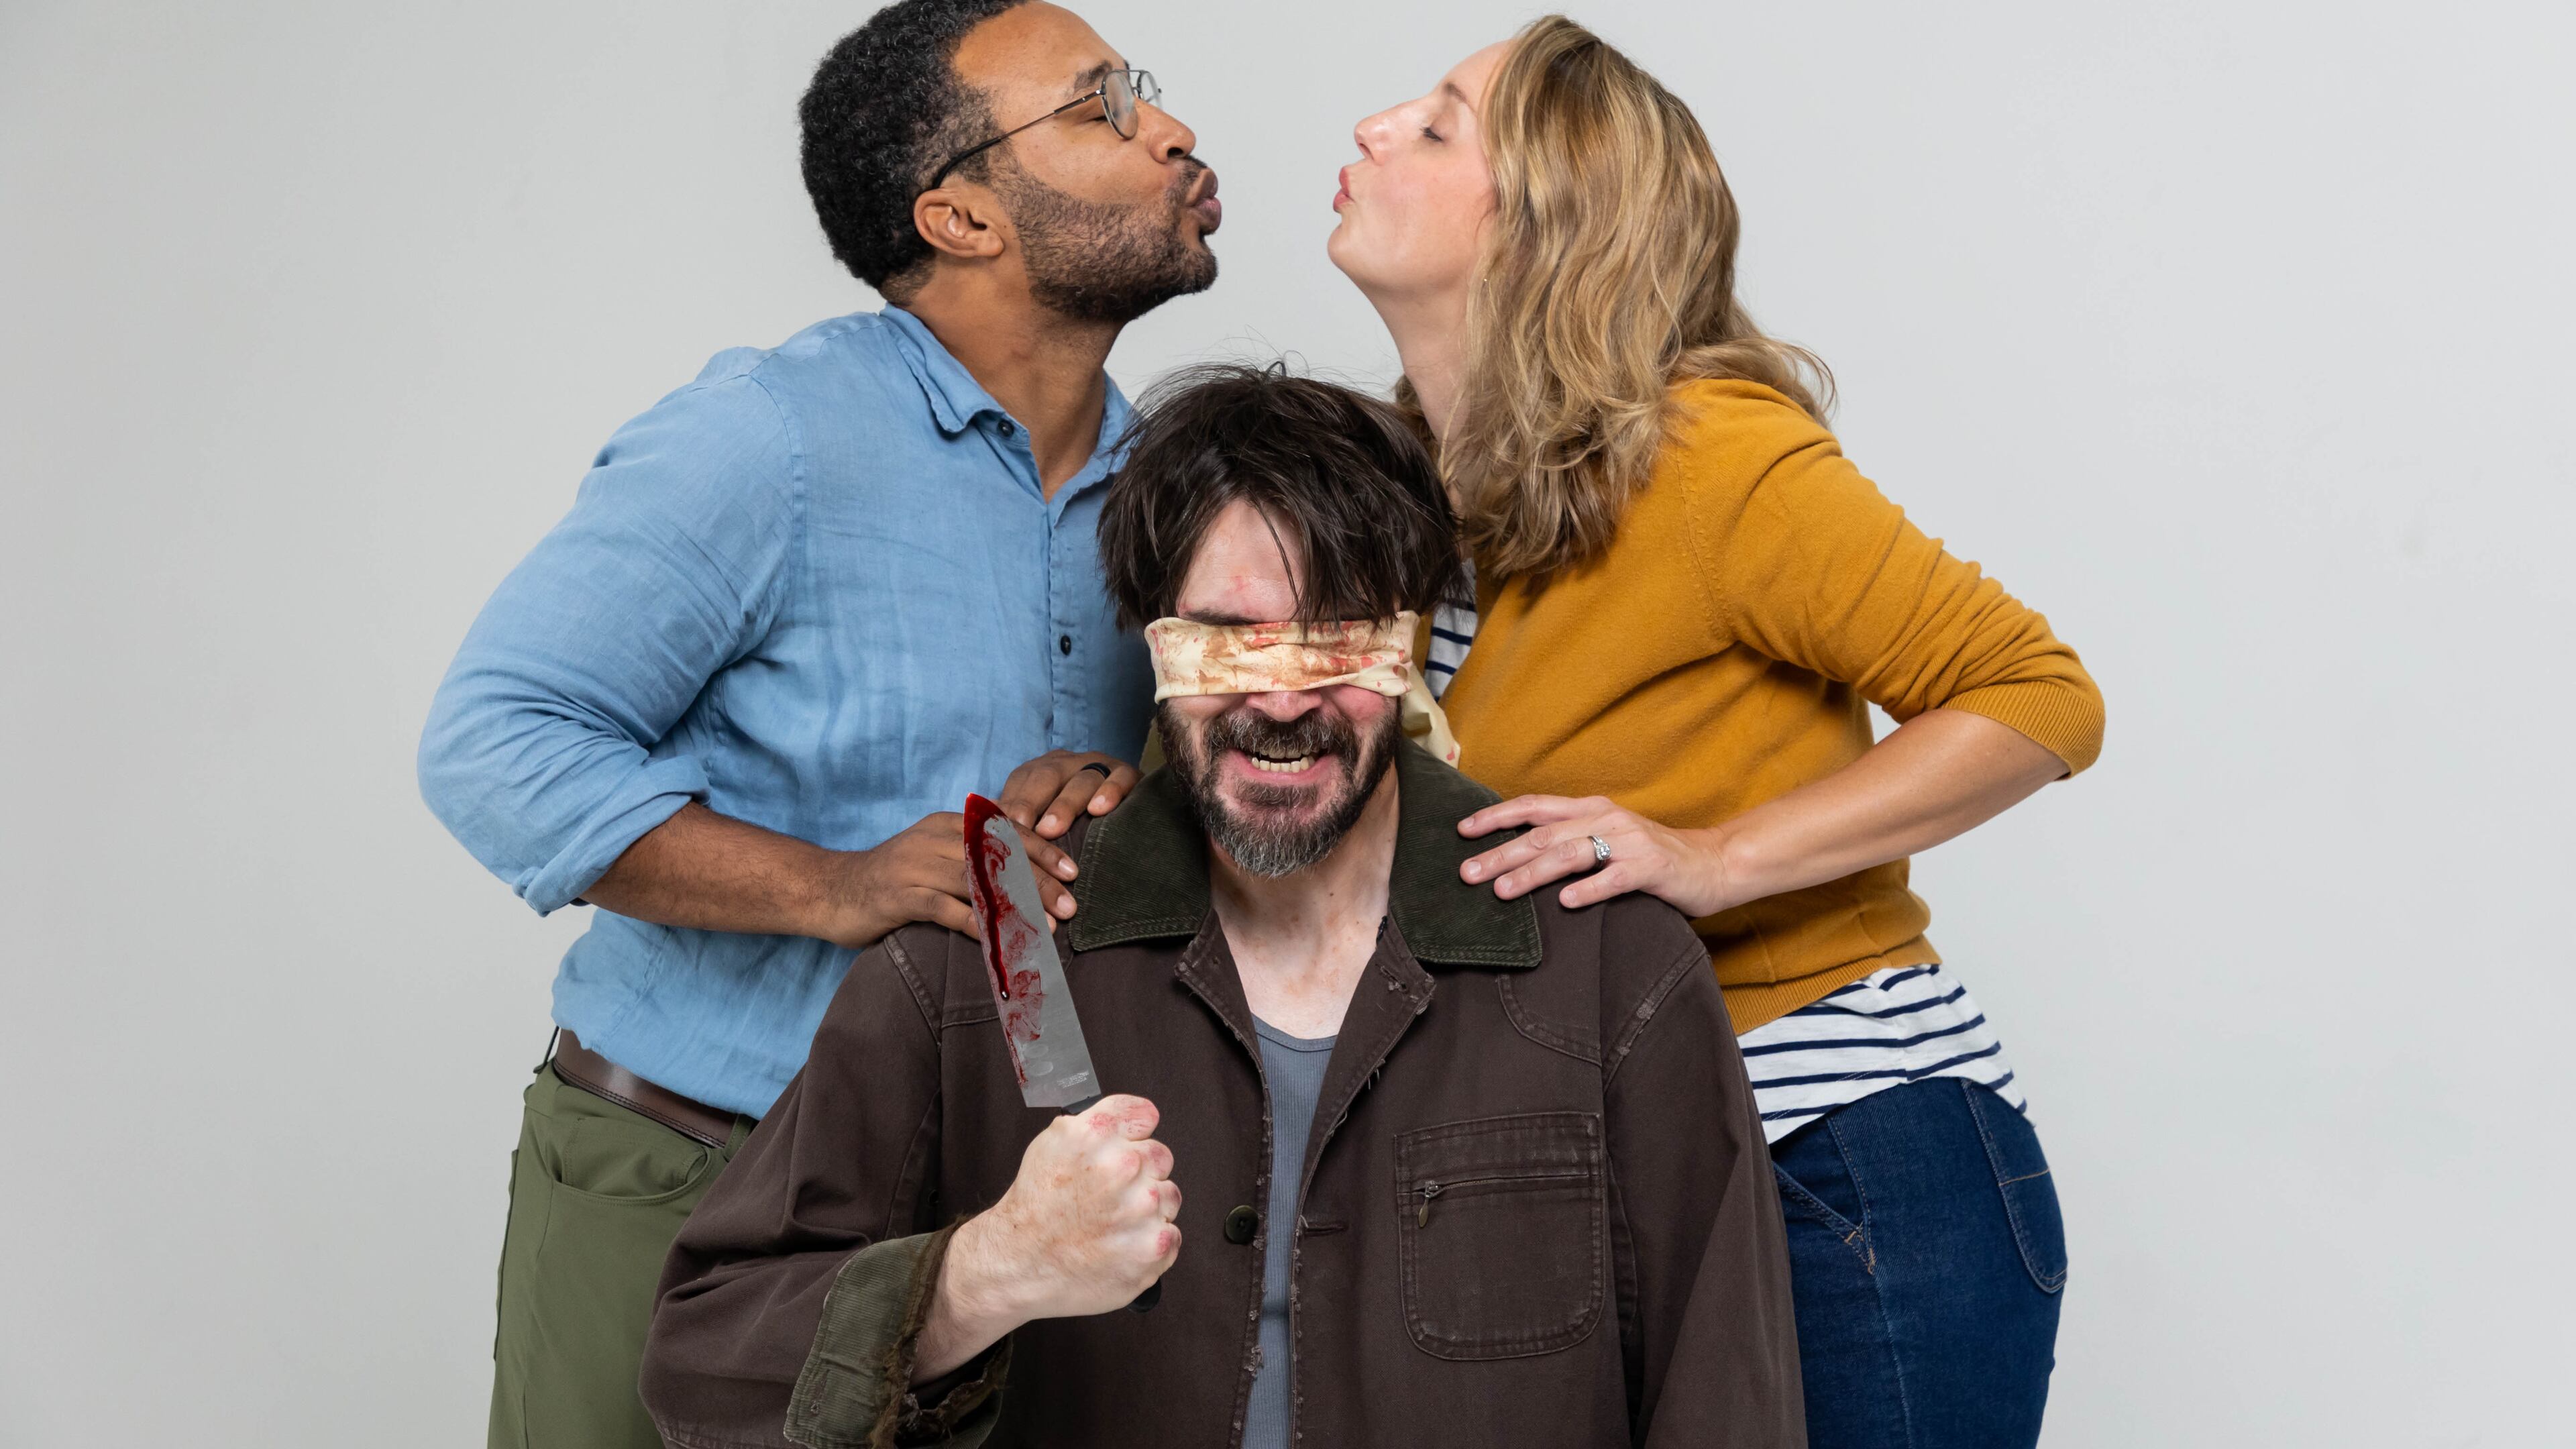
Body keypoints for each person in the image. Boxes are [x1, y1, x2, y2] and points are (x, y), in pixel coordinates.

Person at [637, 366, 1806, 1449]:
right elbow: (703, 1361)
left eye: (1335, 635)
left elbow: (1728, 1399)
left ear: (1407, 649)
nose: (1281, 700)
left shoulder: (1607, 958)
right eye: (1229, 639)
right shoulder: (995, 949)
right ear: (1154, 645)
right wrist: (987, 1273)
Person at [414, 3, 1220, 1444]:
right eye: (1102, 108)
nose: (1172, 132)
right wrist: (833, 885)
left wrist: (1136, 785)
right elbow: (500, 739)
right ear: (960, 214)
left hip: (992, 1214)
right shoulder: (768, 437)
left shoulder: (1176, 492)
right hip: (686, 1168)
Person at [1326, 17, 2105, 1448]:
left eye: (1438, 127)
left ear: (1545, 231)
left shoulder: (1705, 456)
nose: (1374, 126)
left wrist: (1717, 859)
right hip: (1621, 1176)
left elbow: (2036, 695)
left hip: (1845, 1163)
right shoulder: (1418, 517)